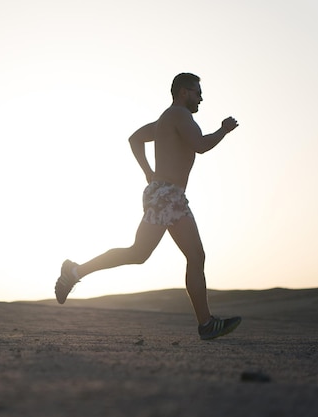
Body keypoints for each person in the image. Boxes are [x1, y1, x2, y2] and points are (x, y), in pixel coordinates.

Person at [54, 73, 241, 340]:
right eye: (198, 92)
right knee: (169, 255)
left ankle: (74, 272)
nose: (201, 97)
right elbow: (200, 145)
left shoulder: (166, 120)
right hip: (167, 196)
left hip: (166, 194)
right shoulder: (179, 115)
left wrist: (148, 173)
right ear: (184, 92)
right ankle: (206, 324)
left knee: (156, 254)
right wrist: (223, 130)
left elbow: (135, 138)